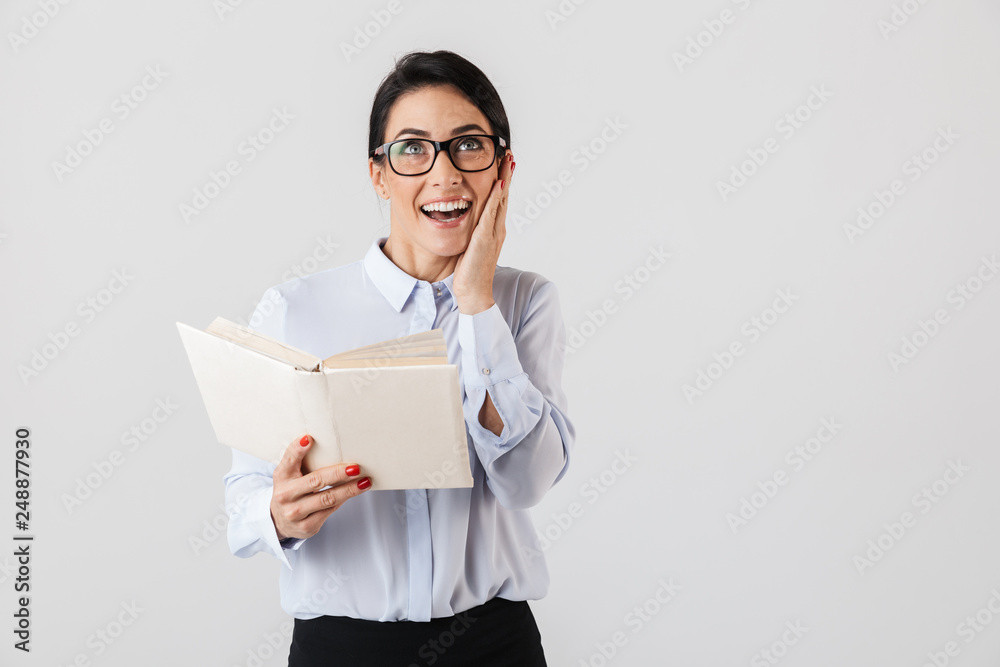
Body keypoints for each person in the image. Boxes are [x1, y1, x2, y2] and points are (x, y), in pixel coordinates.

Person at [222, 49, 574, 666]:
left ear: (503, 169)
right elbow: (243, 503)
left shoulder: (524, 302)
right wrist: (277, 516)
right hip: (341, 647)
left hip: (492, 646)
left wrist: (475, 303)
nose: (444, 175)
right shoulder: (295, 309)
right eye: (413, 149)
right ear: (379, 174)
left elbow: (526, 481)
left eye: (468, 145)